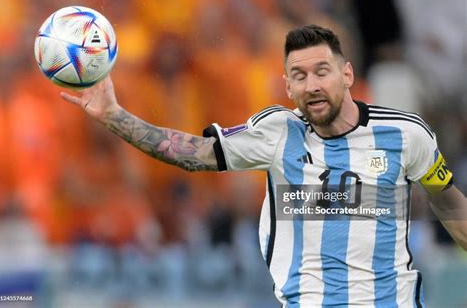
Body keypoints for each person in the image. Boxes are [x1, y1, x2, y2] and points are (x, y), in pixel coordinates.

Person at [61, 25, 466, 307]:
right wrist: (113, 115)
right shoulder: (276, 132)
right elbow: (192, 153)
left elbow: (447, 202)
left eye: (322, 72)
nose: (311, 85)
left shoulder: (405, 134)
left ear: (347, 75)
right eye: (299, 76)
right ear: (288, 87)